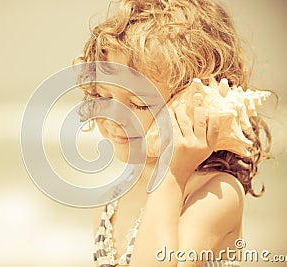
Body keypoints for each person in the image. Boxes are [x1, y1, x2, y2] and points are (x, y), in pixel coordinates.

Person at [73, 0, 272, 266]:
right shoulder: (110, 201)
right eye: (102, 95)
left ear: (194, 102)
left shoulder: (217, 194)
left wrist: (172, 172)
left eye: (139, 103)